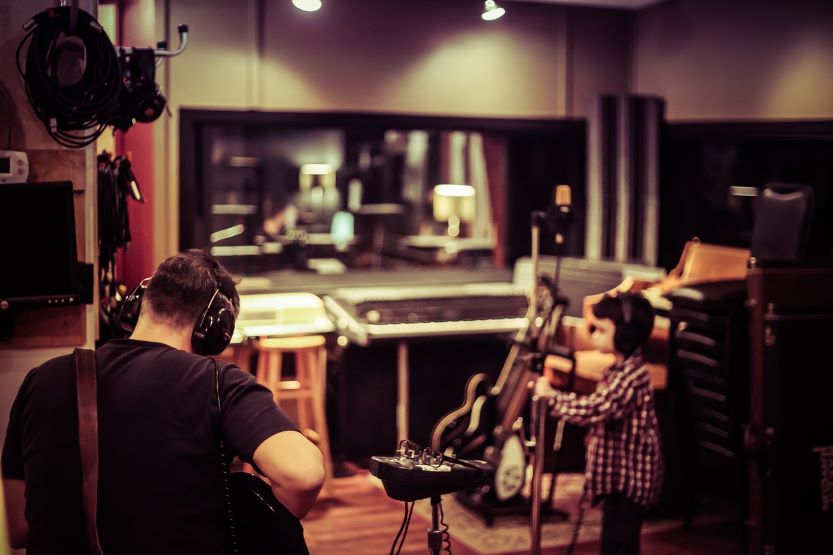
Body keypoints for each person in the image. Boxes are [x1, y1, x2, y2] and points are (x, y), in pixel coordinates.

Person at [2, 249, 325, 554]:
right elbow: (302, 475)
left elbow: (19, 528)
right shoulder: (217, 382)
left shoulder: (39, 380)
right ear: (216, 329)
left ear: (137, 306)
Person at [535, 291, 663, 555]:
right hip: (618, 478)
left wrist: (553, 398)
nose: (594, 336)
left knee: (620, 542)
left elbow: (597, 408)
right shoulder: (619, 370)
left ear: (624, 336)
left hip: (629, 482)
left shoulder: (630, 377)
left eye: (601, 330)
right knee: (612, 538)